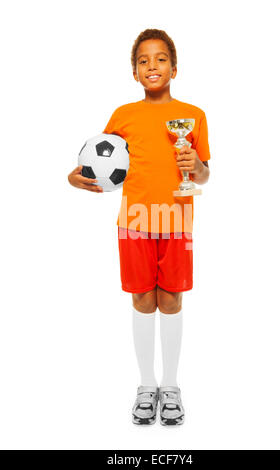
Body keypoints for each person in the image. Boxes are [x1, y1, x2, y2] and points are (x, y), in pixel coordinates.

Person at [68, 28, 211, 426]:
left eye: (161, 59)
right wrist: (73, 177)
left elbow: (203, 173)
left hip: (177, 219)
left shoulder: (194, 116)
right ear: (134, 72)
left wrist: (195, 168)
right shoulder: (123, 115)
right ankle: (146, 385)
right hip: (133, 222)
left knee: (171, 300)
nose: (153, 66)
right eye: (144, 60)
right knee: (143, 300)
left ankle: (171, 386)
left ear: (175, 68)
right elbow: (97, 159)